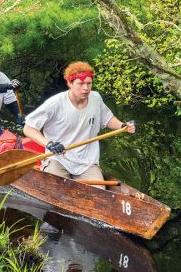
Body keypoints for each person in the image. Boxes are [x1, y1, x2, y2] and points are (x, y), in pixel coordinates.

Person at [23, 61, 135, 189]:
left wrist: (122, 126)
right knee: (54, 190)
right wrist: (49, 144)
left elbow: (107, 118)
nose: (86, 88)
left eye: (89, 83)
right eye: (81, 84)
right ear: (70, 83)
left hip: (87, 162)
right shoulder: (55, 103)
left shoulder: (96, 98)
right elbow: (28, 128)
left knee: (100, 193)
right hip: (58, 158)